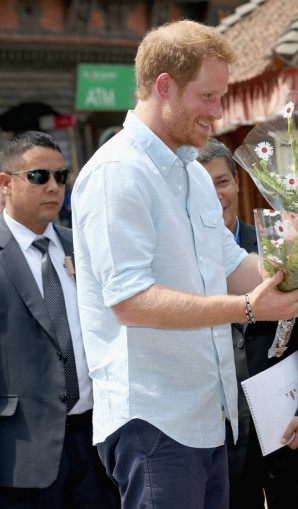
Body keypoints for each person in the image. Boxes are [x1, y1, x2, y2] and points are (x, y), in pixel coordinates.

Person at [71, 20, 298, 509]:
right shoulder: (116, 173)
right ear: (163, 85)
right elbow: (129, 300)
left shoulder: (190, 169)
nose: (218, 112)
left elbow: (231, 263)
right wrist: (247, 308)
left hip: (209, 415)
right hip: (154, 419)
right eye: (207, 97)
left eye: (221, 97)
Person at [197, 138, 298, 509]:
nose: (216, 194)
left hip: (291, 426)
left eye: (222, 181)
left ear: (237, 183)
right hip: (223, 438)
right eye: (203, 184)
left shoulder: (282, 247)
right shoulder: (184, 263)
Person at [0, 131, 118, 508]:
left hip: (97, 439)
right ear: (5, 183)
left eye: (61, 177)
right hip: (21, 451)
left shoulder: (82, 246)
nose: (53, 187)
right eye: (39, 177)